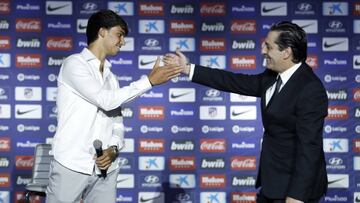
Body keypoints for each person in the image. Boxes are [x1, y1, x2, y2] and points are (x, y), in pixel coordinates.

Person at [163, 21, 328, 203]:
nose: (262, 51)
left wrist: (297, 196)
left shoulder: (310, 89)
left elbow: (309, 148)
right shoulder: (272, 77)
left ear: (286, 52)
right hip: (273, 184)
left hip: (294, 190)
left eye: (268, 46)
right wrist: (188, 69)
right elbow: (234, 81)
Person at [46, 10, 182, 203]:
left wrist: (113, 149)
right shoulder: (74, 64)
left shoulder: (112, 78)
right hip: (71, 163)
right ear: (102, 32)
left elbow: (117, 121)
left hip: (106, 169)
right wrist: (149, 81)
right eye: (120, 34)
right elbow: (105, 100)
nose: (123, 42)